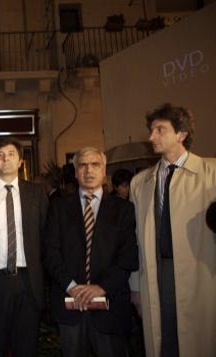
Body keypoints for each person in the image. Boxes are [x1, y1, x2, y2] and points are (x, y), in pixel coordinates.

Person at [129, 103, 216, 357]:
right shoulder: (140, 182)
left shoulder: (211, 173)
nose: (151, 136)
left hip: (202, 278)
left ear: (181, 134)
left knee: (199, 343)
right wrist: (135, 286)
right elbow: (134, 239)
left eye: (160, 130)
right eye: (151, 130)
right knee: (163, 343)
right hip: (156, 276)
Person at [44, 147, 138, 357]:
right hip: (71, 306)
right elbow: (50, 254)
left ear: (104, 170)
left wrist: (100, 287)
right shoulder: (58, 207)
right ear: (76, 172)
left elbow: (128, 257)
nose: (89, 170)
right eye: (82, 165)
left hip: (110, 308)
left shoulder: (124, 210)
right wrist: (73, 287)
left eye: (95, 164)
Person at [0, 137, 48, 356]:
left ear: (21, 161)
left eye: (11, 154)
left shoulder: (37, 194)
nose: (6, 159)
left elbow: (44, 236)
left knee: (27, 348)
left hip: (28, 281)